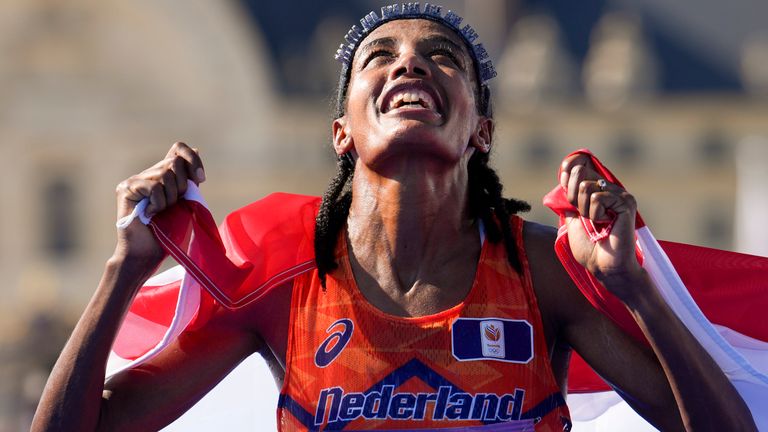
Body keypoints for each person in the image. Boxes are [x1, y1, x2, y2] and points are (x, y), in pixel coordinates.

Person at [33, 4, 756, 431]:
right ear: (341, 129)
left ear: (483, 130)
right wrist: (121, 271)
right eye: (380, 56)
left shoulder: (541, 271)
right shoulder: (282, 277)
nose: (411, 65)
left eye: (443, 58)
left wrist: (637, 293)